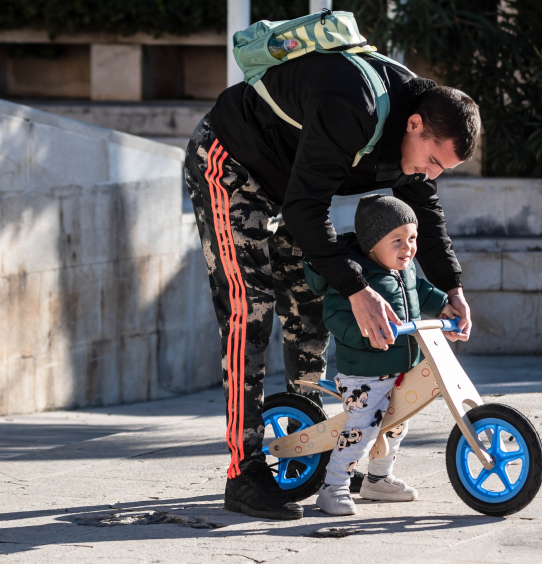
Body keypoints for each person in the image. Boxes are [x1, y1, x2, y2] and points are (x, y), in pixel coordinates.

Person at [183, 47, 481, 520]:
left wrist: (454, 289)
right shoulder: (354, 104)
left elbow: (426, 210)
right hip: (231, 164)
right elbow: (308, 208)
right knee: (249, 312)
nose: (432, 173)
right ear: (415, 125)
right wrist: (359, 290)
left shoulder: (421, 125)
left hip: (289, 189)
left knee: (309, 309)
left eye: (442, 169)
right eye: (432, 161)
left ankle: (311, 452)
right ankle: (244, 472)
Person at [304, 194, 461, 516]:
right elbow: (335, 316)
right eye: (398, 240)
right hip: (364, 373)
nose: (408, 247)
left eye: (413, 238)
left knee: (397, 425)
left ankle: (378, 478)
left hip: (402, 367)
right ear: (372, 244)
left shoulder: (403, 270)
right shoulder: (355, 276)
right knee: (362, 428)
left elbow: (420, 291)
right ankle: (333, 487)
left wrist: (443, 304)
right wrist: (367, 335)